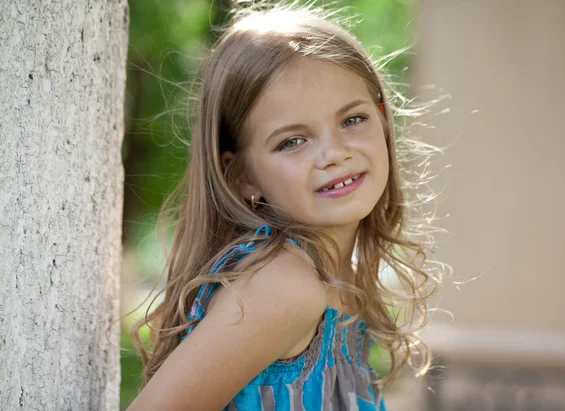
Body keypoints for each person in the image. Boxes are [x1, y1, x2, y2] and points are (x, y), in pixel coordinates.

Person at [127, 2, 443, 410]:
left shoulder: (335, 277)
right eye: (292, 141)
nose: (334, 153)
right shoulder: (283, 285)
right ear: (242, 176)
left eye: (352, 120)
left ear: (383, 118)